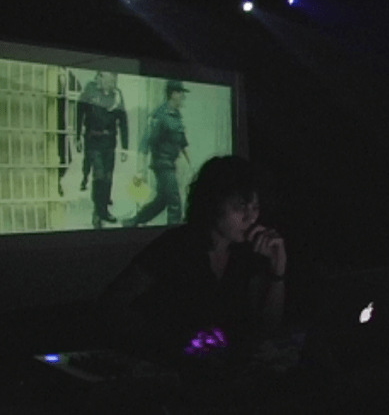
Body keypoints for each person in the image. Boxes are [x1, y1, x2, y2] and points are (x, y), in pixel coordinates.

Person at [97, 155, 286, 361]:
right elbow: (112, 304)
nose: (251, 217)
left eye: (255, 208)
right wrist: (167, 341)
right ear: (214, 202)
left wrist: (277, 270)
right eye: (240, 206)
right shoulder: (175, 246)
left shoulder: (247, 253)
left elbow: (266, 325)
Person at [122, 80, 191, 227]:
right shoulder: (159, 115)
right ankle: (175, 235)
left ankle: (134, 221)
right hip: (162, 164)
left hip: (170, 164)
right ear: (173, 94)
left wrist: (191, 165)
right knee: (175, 202)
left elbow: (183, 142)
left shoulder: (176, 116)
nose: (183, 97)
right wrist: (140, 170)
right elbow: (145, 142)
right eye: (180, 93)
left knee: (162, 201)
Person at [77, 71, 128, 227]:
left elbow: (123, 121)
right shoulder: (90, 90)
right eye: (110, 79)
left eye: (115, 80)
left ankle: (103, 210)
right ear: (102, 78)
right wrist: (77, 136)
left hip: (110, 142)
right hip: (93, 140)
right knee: (99, 175)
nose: (113, 83)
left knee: (107, 178)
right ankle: (98, 213)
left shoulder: (117, 95)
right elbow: (79, 112)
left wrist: (125, 147)